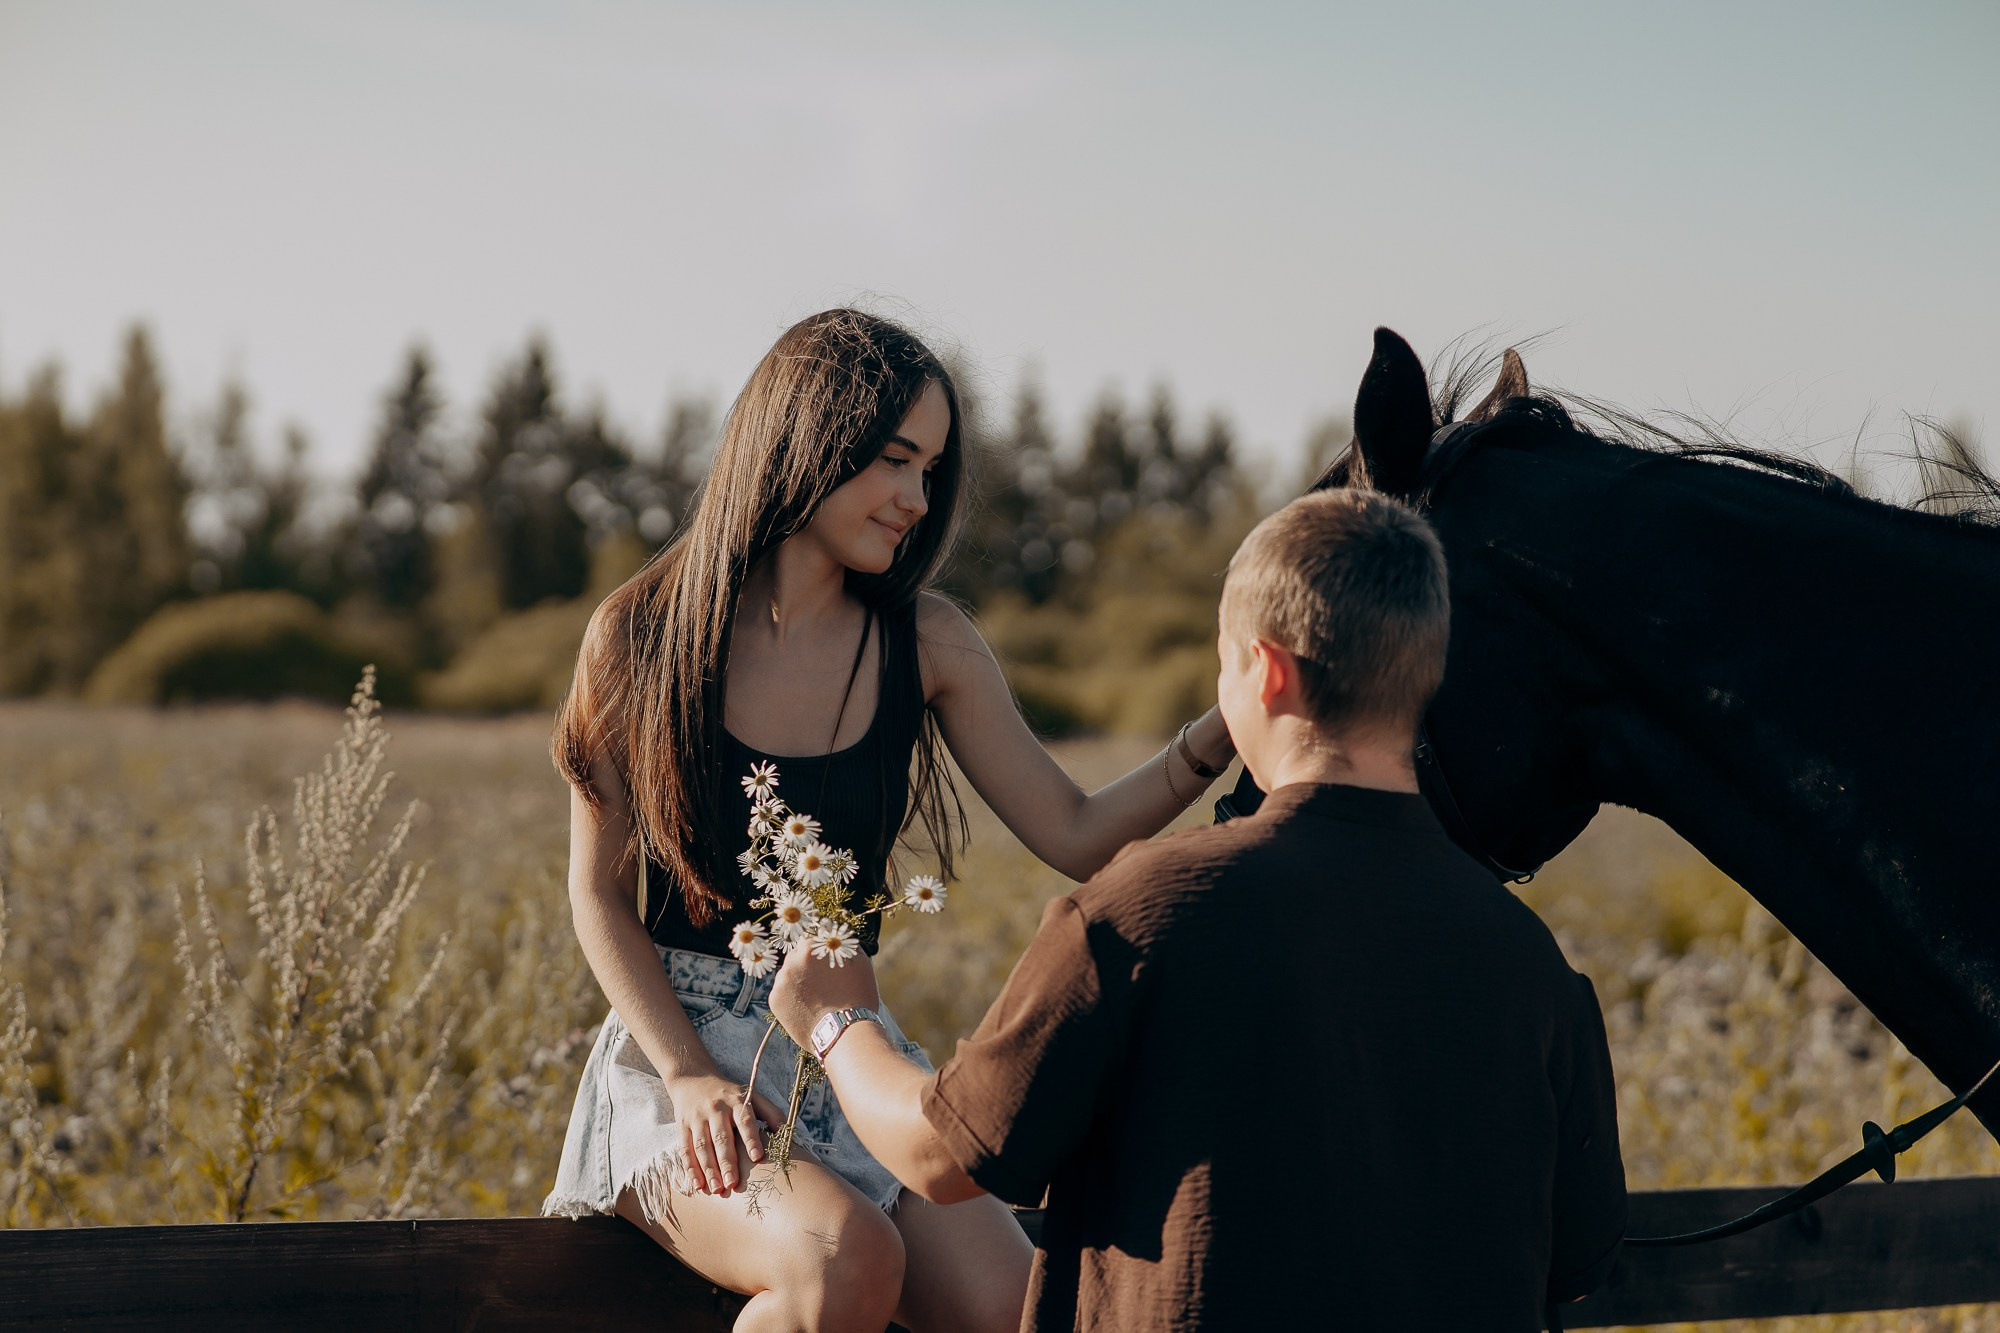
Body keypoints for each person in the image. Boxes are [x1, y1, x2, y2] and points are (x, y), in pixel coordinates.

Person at [770, 487, 1628, 1331]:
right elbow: (1579, 1262)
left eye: (1225, 659)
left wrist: (842, 1020)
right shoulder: (1531, 959)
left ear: (1268, 670)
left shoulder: (1145, 911)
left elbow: (941, 1155)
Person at [541, 308, 1238, 1333]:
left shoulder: (930, 643)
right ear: (802, 441)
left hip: (841, 1053)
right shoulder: (636, 635)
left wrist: (1228, 727)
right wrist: (690, 1076)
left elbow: (1078, 830)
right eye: (893, 461)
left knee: (1020, 1313)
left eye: (931, 469)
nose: (917, 499)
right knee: (842, 1262)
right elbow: (596, 892)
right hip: (676, 1068)